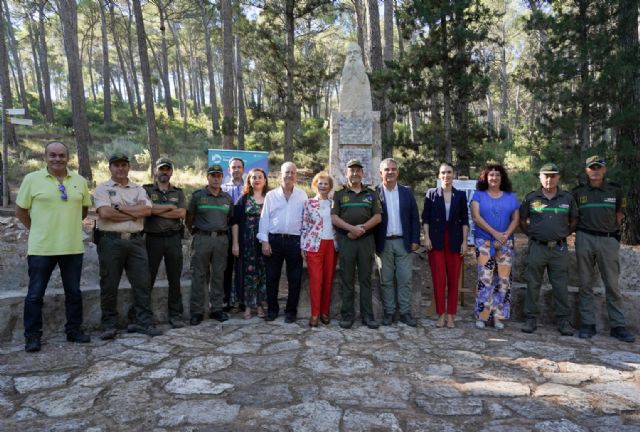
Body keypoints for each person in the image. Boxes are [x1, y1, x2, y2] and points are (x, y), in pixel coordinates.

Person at [16, 141, 92, 352]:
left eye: (61, 155)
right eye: (53, 155)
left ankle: (74, 331)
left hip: (72, 247)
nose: (57, 159)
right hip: (42, 248)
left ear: (68, 158)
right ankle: (32, 336)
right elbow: (21, 211)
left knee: (74, 293)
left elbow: (84, 211)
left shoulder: (79, 181)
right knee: (35, 295)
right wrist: (38, 229)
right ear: (45, 157)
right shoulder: (31, 180)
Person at [94, 152, 159, 340]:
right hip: (110, 241)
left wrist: (119, 208)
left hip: (136, 241)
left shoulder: (138, 189)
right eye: (116, 165)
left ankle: (143, 321)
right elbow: (105, 213)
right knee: (109, 283)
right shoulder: (102, 189)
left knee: (142, 283)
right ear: (110, 168)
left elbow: (147, 210)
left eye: (124, 165)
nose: (120, 168)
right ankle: (109, 324)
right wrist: (133, 212)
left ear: (128, 167)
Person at [572, 156, 635, 343]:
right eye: (592, 168)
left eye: (599, 168)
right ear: (587, 171)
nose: (595, 171)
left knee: (612, 285)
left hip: (608, 240)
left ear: (604, 170)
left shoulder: (615, 191)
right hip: (584, 237)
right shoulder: (578, 192)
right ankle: (587, 324)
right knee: (585, 283)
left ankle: (618, 326)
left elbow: (619, 215)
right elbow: (573, 217)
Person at [520, 163, 577, 336]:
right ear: (540, 177)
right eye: (545, 175)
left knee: (560, 285)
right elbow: (522, 220)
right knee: (533, 283)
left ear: (558, 177)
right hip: (538, 247)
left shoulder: (567, 198)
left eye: (553, 176)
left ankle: (563, 321)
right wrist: (533, 234)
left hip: (559, 249)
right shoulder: (531, 198)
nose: (549, 179)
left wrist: (562, 234)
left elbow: (574, 220)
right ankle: (530, 318)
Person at [332, 159, 382, 329]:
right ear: (346, 173)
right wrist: (351, 229)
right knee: (347, 279)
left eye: (358, 171)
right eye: (351, 171)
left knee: (365, 279)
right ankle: (347, 315)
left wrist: (362, 229)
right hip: (346, 240)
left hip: (366, 241)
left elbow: (377, 217)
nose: (355, 174)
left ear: (363, 173)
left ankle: (368, 316)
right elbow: (334, 217)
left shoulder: (371, 193)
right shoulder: (339, 193)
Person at [471, 164, 519, 330]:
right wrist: (495, 234)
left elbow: (515, 219)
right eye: (491, 175)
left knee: (503, 280)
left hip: (506, 243)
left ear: (502, 178)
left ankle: (498, 317)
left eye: (497, 175)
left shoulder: (511, 197)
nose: (494, 178)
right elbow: (476, 218)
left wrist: (504, 236)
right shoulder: (478, 196)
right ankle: (482, 316)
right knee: (485, 279)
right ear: (485, 177)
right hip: (484, 242)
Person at [258, 162, 307, 323]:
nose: (289, 175)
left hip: (295, 242)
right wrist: (264, 241)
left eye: (293, 172)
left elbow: (306, 221)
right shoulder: (271, 196)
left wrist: (304, 243)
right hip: (274, 241)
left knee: (295, 279)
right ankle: (272, 310)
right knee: (272, 278)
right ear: (281, 174)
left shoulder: (302, 195)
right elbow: (264, 219)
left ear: (296, 176)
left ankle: (290, 312)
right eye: (287, 172)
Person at [422, 162, 469, 329]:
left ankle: (451, 315)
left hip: (456, 240)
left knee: (453, 279)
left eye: (449, 172)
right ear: (438, 175)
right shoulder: (431, 194)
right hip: (436, 241)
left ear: (454, 175)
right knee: (439, 278)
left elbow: (465, 221)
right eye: (443, 172)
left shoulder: (461, 196)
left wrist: (465, 241)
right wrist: (426, 237)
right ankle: (441, 314)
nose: (446, 175)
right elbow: (425, 218)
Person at [186, 164, 234, 325]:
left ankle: (217, 309)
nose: (215, 178)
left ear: (222, 178)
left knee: (219, 275)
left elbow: (229, 219)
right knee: (199, 275)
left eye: (218, 175)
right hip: (202, 238)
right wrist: (196, 232)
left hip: (221, 240)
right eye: (213, 175)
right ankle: (197, 311)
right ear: (207, 177)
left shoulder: (227, 198)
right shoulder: (198, 196)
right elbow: (189, 218)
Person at [374, 159, 420, 327]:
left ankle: (405, 313)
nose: (390, 172)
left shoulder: (407, 192)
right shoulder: (375, 193)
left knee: (405, 279)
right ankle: (389, 312)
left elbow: (415, 217)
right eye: (387, 170)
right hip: (383, 243)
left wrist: (416, 239)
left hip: (403, 242)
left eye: (393, 169)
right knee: (385, 280)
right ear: (381, 173)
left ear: (398, 172)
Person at [143, 157, 186, 329]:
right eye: (162, 169)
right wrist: (169, 208)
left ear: (171, 172)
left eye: (168, 169)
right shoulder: (146, 190)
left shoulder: (178, 192)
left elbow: (181, 213)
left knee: (174, 279)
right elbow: (147, 210)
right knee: (148, 278)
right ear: (155, 171)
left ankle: (175, 315)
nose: (165, 172)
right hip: (153, 239)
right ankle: (143, 316)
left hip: (173, 238)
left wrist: (156, 211)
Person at [301, 171, 338, 327]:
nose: (323, 186)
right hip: (314, 245)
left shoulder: (334, 204)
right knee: (316, 280)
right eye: (320, 183)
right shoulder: (308, 203)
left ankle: (325, 312)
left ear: (330, 187)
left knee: (328, 280)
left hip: (331, 245)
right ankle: (314, 314)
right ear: (315, 185)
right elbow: (304, 225)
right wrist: (302, 246)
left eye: (326, 184)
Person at [231, 168, 269, 320]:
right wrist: (235, 244)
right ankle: (247, 305)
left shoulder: (270, 198)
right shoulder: (243, 199)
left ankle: (260, 304)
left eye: (260, 177)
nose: (257, 180)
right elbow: (235, 223)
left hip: (265, 242)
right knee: (247, 274)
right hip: (246, 243)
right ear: (249, 181)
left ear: (265, 180)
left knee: (262, 273)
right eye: (254, 177)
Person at [222, 157, 245, 312]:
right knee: (227, 268)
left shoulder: (248, 187)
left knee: (242, 268)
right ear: (229, 169)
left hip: (244, 233)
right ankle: (226, 300)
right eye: (233, 167)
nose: (236, 169)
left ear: (243, 169)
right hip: (226, 232)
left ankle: (243, 299)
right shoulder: (223, 189)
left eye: (239, 167)